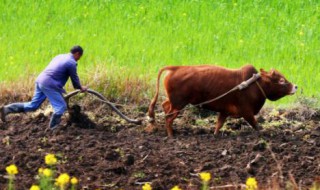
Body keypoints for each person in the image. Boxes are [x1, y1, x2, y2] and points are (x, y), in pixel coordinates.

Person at [0, 45, 88, 129]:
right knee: (61, 107)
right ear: (77, 53)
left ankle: (7, 109)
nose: (78, 59)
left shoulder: (60, 56)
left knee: (33, 105)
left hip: (40, 80)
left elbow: (55, 71)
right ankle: (53, 129)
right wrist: (81, 88)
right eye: (79, 57)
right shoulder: (71, 63)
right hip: (49, 84)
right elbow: (75, 81)